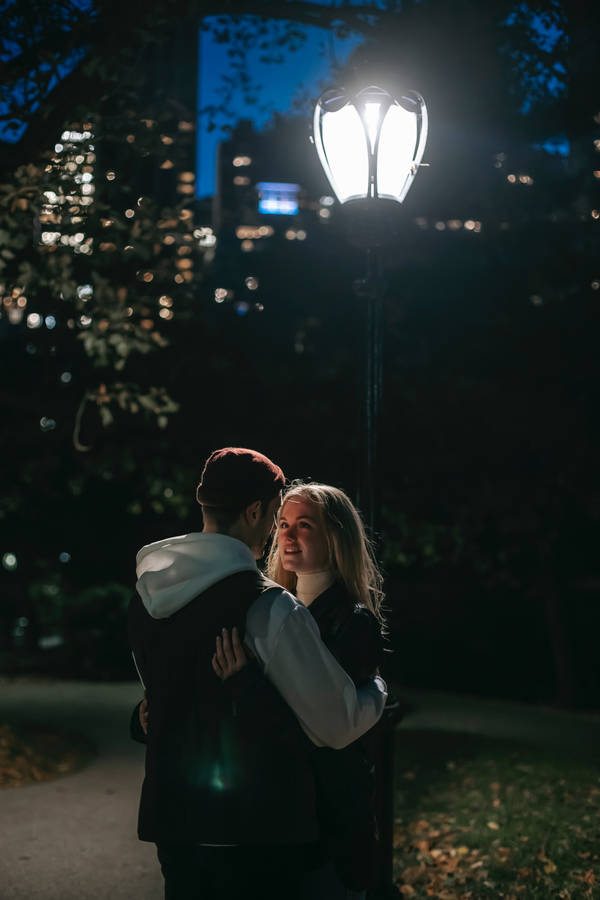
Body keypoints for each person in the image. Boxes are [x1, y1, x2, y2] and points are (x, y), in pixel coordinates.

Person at [128, 448, 387, 900]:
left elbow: (167, 701)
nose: (277, 532)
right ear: (255, 511)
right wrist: (377, 692)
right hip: (255, 829)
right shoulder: (268, 606)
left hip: (174, 822)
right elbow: (337, 724)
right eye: (275, 517)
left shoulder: (147, 599)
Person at [212, 481, 387, 900]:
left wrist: (246, 685)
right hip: (283, 815)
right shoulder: (271, 610)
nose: (287, 535)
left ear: (335, 537)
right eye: (283, 523)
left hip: (330, 819)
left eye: (304, 525)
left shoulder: (353, 620)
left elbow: (317, 726)